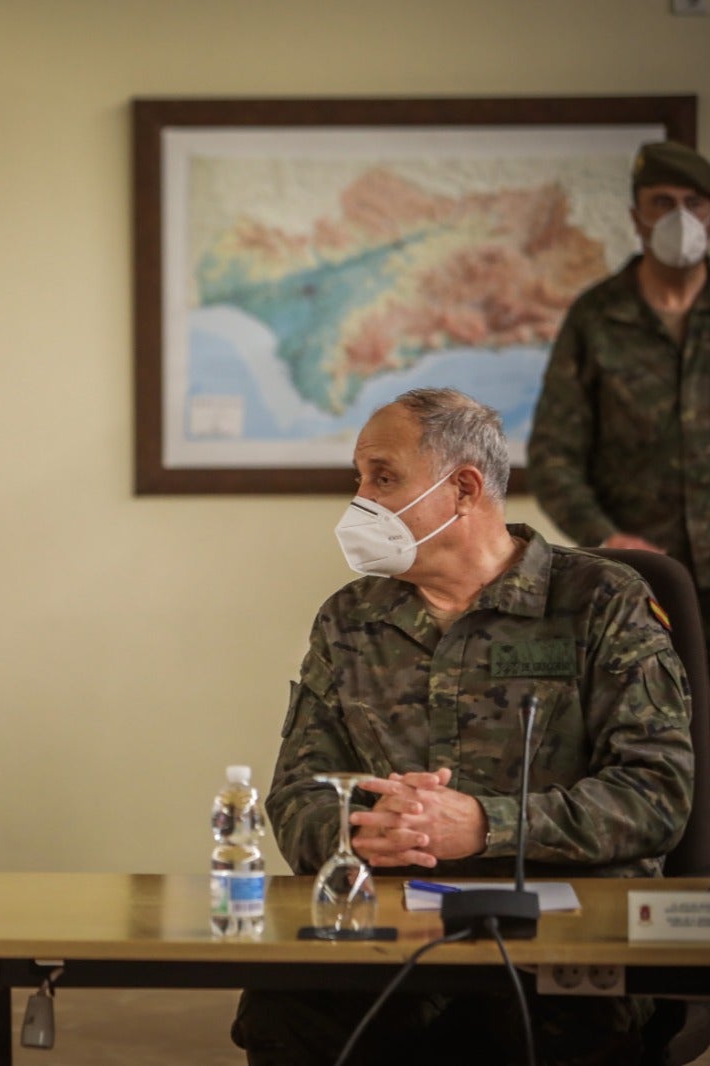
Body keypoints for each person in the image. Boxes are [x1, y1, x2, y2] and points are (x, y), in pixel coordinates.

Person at [232, 388, 694, 1066]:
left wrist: (486, 825)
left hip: (566, 937)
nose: (360, 500)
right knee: (284, 1006)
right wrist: (364, 831)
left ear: (465, 488)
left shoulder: (602, 603)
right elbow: (298, 796)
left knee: (528, 1034)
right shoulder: (350, 620)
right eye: (358, 479)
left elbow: (657, 795)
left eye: (382, 477)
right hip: (391, 926)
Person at [528, 140, 710, 644]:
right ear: (637, 216)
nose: (681, 217)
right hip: (639, 587)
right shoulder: (595, 318)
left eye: (694, 203)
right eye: (662, 203)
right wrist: (607, 538)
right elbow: (552, 455)